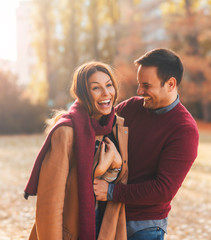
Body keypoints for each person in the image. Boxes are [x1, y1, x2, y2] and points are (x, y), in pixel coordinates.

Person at [94, 48, 199, 240]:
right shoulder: (132, 107)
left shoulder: (184, 130)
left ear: (170, 84)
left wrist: (110, 192)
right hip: (109, 215)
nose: (139, 91)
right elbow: (97, 125)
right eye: (139, 84)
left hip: (143, 226)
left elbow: (163, 190)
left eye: (146, 85)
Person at [24, 61, 129, 240]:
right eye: (96, 88)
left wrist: (116, 167)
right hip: (71, 231)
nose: (106, 93)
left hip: (105, 228)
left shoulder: (115, 128)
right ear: (82, 93)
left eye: (109, 85)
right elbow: (50, 204)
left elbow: (109, 188)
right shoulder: (66, 132)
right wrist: (98, 171)